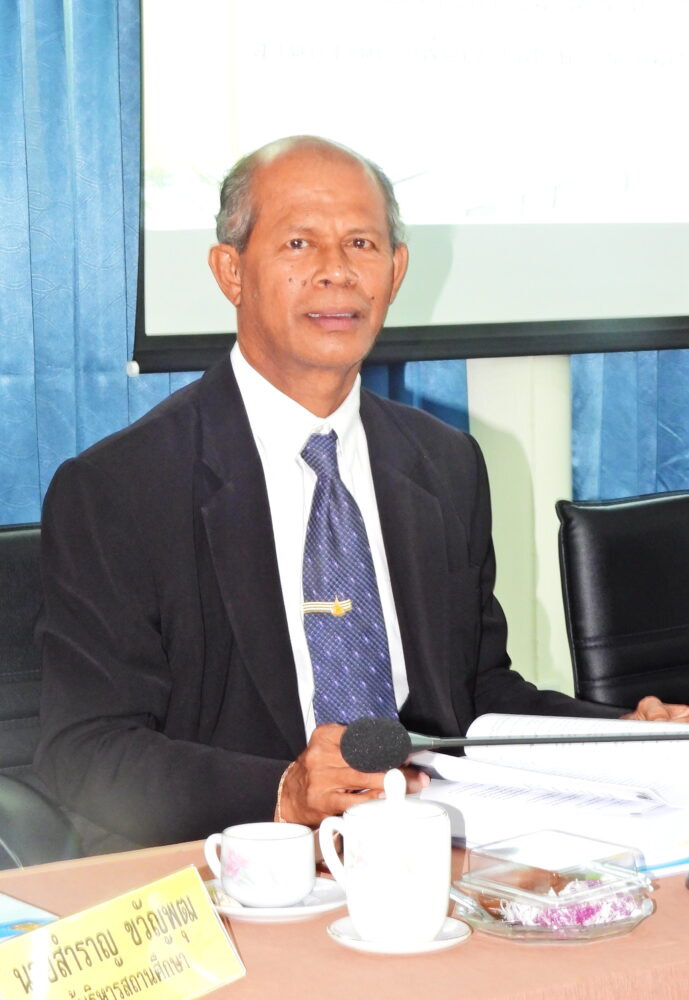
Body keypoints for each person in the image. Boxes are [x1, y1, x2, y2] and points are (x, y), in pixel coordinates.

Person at [35, 136, 689, 854]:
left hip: (429, 848)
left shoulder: (444, 464)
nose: (336, 272)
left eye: (360, 244)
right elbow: (84, 750)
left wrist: (619, 738)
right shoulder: (120, 488)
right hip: (244, 866)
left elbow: (477, 695)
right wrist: (282, 791)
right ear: (230, 271)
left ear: (396, 271)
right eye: (298, 243)